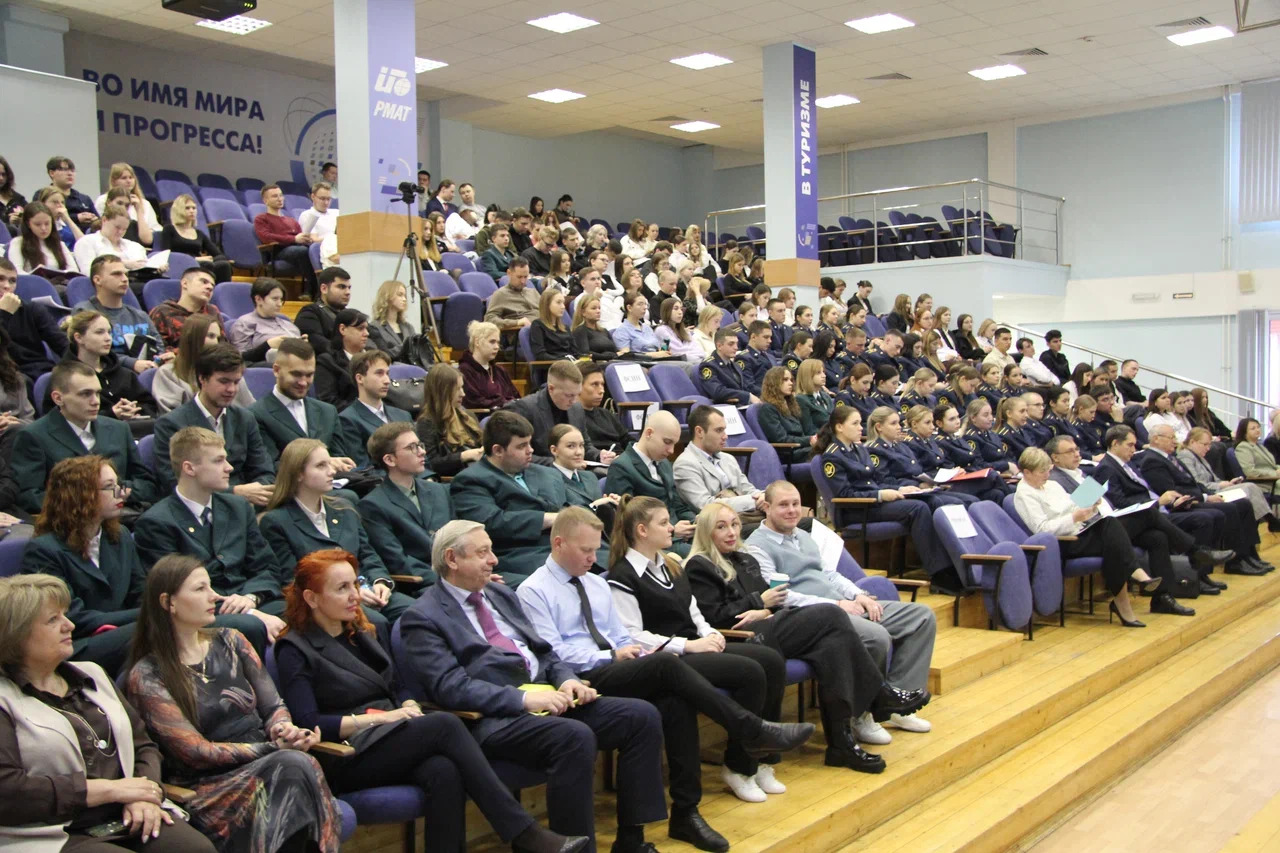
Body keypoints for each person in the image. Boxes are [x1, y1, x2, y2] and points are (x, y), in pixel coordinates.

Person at [518, 508, 813, 851]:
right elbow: (552, 654)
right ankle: (751, 730)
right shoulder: (534, 590)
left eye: (595, 549)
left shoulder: (595, 582)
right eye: (585, 550)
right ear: (558, 544)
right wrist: (613, 655)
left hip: (620, 665)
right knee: (665, 664)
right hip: (580, 676)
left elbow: (620, 635)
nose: (592, 558)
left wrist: (629, 651)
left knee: (676, 700)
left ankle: (683, 814)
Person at [274, 549, 587, 853]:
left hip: (388, 736)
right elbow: (309, 722)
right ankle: (523, 832)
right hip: (346, 753)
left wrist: (408, 704)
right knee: (445, 725)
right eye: (342, 588)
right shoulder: (294, 648)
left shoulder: (363, 631)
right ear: (312, 598)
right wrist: (382, 718)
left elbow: (395, 686)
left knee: (443, 770)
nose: (355, 595)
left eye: (355, 584)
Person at [396, 520, 669, 853]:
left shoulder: (499, 593)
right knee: (574, 736)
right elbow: (451, 687)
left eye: (491, 550)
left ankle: (631, 841)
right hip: (495, 719)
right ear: (452, 559)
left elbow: (545, 651)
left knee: (640, 716)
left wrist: (567, 679)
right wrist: (523, 699)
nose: (494, 560)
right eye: (483, 553)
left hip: (546, 698)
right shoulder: (422, 617)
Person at [687, 500, 930, 774]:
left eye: (734, 525)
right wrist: (758, 603)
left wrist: (763, 607)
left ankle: (841, 745)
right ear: (706, 531)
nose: (731, 532)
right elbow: (715, 616)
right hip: (741, 638)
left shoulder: (745, 559)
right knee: (831, 613)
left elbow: (773, 601)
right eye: (721, 527)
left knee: (832, 647)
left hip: (769, 624)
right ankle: (878, 693)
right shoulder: (699, 566)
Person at [124, 556, 340, 853]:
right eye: (200, 589)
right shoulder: (147, 675)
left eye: (211, 586)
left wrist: (283, 729)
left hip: (269, 766)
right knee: (294, 765)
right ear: (168, 602)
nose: (214, 596)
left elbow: (273, 706)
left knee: (295, 765)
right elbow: (196, 752)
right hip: (207, 788)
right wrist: (273, 747)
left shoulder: (232, 640)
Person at [0, 573, 217, 853]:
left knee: (196, 849)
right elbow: (8, 791)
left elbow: (144, 746)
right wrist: (110, 790)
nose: (69, 625)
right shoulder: (5, 700)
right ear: (16, 635)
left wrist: (145, 794)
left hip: (126, 812)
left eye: (65, 615)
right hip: (52, 832)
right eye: (53, 620)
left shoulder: (93, 674)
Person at [607, 491, 787, 793]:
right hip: (670, 658)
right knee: (750, 672)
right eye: (664, 523)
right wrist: (688, 645)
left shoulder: (671, 565)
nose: (672, 527)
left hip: (696, 646)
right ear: (642, 530)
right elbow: (633, 634)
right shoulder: (622, 575)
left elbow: (694, 612)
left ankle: (762, 761)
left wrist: (710, 633)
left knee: (770, 660)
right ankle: (740, 767)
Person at [747, 481, 935, 740]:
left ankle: (897, 706)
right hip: (817, 617)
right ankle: (862, 714)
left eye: (796, 504)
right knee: (876, 636)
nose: (792, 510)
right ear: (767, 507)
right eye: (783, 505)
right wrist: (836, 605)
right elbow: (781, 597)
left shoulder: (803, 535)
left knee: (921, 617)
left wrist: (858, 595)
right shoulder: (756, 546)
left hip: (843, 604)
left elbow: (830, 575)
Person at [259, 439, 415, 625]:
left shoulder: (344, 508)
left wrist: (380, 582)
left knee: (418, 613)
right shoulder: (277, 521)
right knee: (376, 622)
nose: (332, 471)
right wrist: (352, 592)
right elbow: (292, 580)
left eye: (330, 463)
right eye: (321, 466)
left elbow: (368, 555)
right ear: (298, 473)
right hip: (327, 604)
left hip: (369, 592)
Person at [1014, 448, 1167, 627]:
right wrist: (1074, 517)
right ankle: (1134, 578)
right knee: (1113, 539)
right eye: (1042, 472)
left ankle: (1127, 598)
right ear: (1027, 472)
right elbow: (1042, 530)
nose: (1048, 475)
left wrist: (1090, 505)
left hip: (1079, 531)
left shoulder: (1052, 485)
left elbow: (1072, 504)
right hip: (1061, 544)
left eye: (1049, 470)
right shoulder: (1023, 495)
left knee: (1111, 530)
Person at [23, 457, 146, 675]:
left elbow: (140, 591)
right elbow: (74, 617)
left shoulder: (120, 536)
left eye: (118, 485)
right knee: (154, 629)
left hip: (121, 632)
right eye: (109, 487)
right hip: (77, 643)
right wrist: (149, 614)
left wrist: (154, 610)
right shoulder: (44, 550)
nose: (121, 493)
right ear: (80, 495)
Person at [816, 406, 954, 579]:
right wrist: (880, 495)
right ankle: (940, 573)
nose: (860, 428)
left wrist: (899, 489)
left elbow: (874, 481)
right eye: (855, 423)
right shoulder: (832, 456)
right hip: (857, 510)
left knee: (929, 501)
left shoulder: (858, 449)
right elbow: (845, 495)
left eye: (860, 423)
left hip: (873, 502)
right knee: (917, 508)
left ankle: (949, 563)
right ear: (839, 427)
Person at [1095, 424, 1244, 582]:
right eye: (1130, 445)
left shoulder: (1125, 464)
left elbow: (1144, 491)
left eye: (1134, 445)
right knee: (1173, 515)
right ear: (1115, 444)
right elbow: (1118, 502)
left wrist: (1171, 503)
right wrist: (1157, 503)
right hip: (1122, 523)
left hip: (1144, 516)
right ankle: (1195, 551)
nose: (1134, 449)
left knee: (1157, 537)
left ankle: (1164, 591)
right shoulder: (1105, 467)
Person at [13, 362, 158, 514]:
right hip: (69, 519)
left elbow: (147, 486)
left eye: (97, 393)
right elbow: (29, 497)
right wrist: (89, 499)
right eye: (85, 394)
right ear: (58, 398)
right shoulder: (34, 436)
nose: (96, 401)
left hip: (122, 516)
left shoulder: (119, 429)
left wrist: (114, 492)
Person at [449, 411, 567, 585]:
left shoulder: (547, 473)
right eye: (521, 446)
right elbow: (492, 523)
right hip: (520, 555)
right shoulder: (471, 480)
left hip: (564, 544)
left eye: (529, 443)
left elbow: (570, 505)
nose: (531, 450)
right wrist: (548, 519)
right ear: (498, 450)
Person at [1141, 424, 1272, 574]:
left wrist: (1208, 494)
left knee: (1243, 504)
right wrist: (1206, 497)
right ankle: (1234, 562)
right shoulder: (1152, 460)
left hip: (1196, 496)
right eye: (1171, 437)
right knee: (1229, 508)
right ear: (1156, 439)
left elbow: (1193, 482)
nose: (1175, 441)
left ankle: (1248, 555)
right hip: (1182, 504)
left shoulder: (1169, 457)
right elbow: (1171, 490)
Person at [360, 423, 455, 585]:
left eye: (420, 445)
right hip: (424, 585)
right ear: (390, 459)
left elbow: (460, 538)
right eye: (412, 447)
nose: (422, 452)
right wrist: (452, 580)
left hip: (459, 574)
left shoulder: (439, 490)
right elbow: (398, 561)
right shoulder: (373, 505)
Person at [53, 311, 158, 422]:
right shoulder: (63, 377)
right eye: (99, 332)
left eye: (109, 332)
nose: (108, 338)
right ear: (79, 338)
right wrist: (112, 415)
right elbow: (61, 419)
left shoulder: (124, 374)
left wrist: (135, 410)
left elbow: (149, 405)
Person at [74, 255, 166, 374]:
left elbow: (159, 347)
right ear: (97, 280)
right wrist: (132, 363)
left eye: (125, 274)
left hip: (148, 371)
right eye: (116, 274)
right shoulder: (85, 312)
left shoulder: (140, 316)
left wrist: (161, 359)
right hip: (107, 373)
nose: (125, 279)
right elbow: (90, 353)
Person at [152, 314, 252, 415]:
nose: (216, 342)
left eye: (218, 338)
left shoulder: (229, 371)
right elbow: (171, 418)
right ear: (192, 338)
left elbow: (250, 411)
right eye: (211, 336)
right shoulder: (168, 373)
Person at [1179, 426, 1277, 528]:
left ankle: (1263, 521)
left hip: (1215, 488)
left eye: (1209, 444)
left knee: (1250, 486)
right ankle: (1268, 520)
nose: (1208, 448)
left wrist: (1229, 483)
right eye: (1205, 444)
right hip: (1209, 493)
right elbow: (1197, 483)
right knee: (1248, 489)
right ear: (1192, 442)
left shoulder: (1200, 457)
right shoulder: (1186, 456)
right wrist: (1220, 485)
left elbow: (1215, 479)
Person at [336, 350, 411, 468]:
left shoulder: (403, 415)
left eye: (387, 373)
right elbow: (363, 468)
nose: (387, 380)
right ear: (360, 378)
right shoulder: (348, 420)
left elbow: (421, 458)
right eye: (379, 373)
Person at [414, 362, 483, 477]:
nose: (463, 394)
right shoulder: (427, 423)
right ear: (442, 392)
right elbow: (431, 464)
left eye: (462, 387)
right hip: (457, 479)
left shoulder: (468, 416)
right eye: (457, 389)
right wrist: (464, 456)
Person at [253, 185, 317, 295]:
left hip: (296, 249)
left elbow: (299, 236)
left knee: (314, 250)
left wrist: (306, 239)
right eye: (275, 196)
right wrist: (294, 239)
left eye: (281, 195)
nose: (280, 199)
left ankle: (315, 288)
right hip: (277, 250)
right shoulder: (261, 218)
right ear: (265, 200)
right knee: (302, 251)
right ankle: (312, 289)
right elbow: (266, 237)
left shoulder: (291, 220)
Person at [148, 268, 225, 351]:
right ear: (185, 283)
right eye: (204, 282)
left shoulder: (212, 311)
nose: (210, 287)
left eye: (212, 285)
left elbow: (223, 344)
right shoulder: (162, 312)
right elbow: (157, 348)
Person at [160, 195, 232, 283]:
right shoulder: (169, 229)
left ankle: (221, 290)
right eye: (187, 208)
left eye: (194, 208)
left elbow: (217, 254)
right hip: (180, 263)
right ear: (178, 210)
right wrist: (195, 259)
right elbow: (166, 254)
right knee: (207, 264)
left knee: (223, 263)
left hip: (201, 263)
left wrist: (211, 258)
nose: (192, 211)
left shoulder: (199, 233)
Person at [227, 277, 299, 363]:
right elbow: (240, 359)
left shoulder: (289, 325)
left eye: (281, 299)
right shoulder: (244, 324)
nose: (279, 304)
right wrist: (268, 345)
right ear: (258, 299)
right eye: (275, 299)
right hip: (266, 367)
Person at [314, 309, 369, 410]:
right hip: (348, 416)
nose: (367, 333)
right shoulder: (327, 362)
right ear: (343, 329)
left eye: (366, 329)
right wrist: (364, 411)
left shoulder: (372, 359)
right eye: (360, 328)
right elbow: (328, 401)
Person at [757, 367, 814, 463]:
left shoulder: (790, 404)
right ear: (773, 383)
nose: (791, 383)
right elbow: (781, 440)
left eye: (791, 380)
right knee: (827, 452)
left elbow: (801, 433)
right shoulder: (767, 409)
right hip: (788, 454)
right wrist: (809, 440)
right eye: (785, 380)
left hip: (801, 448)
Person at [458, 320, 519, 409]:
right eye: (492, 342)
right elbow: (475, 402)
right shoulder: (464, 371)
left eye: (498, 342)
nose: (497, 347)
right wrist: (503, 402)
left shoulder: (500, 371)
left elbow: (516, 396)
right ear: (477, 342)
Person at [73, 208, 147, 279]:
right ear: (104, 220)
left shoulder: (135, 246)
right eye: (117, 227)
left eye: (124, 229)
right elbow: (89, 273)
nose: (120, 232)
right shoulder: (87, 242)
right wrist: (124, 264)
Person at [8, 202, 81, 274]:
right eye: (37, 224)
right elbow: (17, 272)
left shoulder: (60, 244)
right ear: (28, 224)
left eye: (47, 223)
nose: (43, 228)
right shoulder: (18, 243)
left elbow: (74, 270)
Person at [293, 268, 351, 355]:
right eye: (341, 287)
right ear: (324, 289)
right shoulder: (309, 313)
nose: (348, 292)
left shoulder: (351, 315)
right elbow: (319, 345)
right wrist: (350, 353)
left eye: (349, 288)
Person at [577, 362, 631, 453]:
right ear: (578, 386)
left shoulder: (606, 414)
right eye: (595, 384)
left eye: (602, 384)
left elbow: (627, 440)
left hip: (622, 457)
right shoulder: (572, 417)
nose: (602, 390)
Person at [92, 162, 160, 231]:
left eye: (131, 177)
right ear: (113, 181)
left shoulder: (145, 203)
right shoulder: (103, 200)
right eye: (124, 178)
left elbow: (155, 228)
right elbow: (99, 225)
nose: (128, 181)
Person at [1233, 417, 1280, 502]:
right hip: (1264, 483)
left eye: (1258, 427)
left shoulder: (1260, 446)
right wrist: (1274, 474)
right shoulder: (1243, 447)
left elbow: (1272, 465)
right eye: (1253, 428)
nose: (1257, 430)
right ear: (1244, 432)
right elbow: (1250, 472)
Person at [45, 156, 98, 229]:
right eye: (65, 170)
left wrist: (93, 219)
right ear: (52, 173)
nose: (70, 173)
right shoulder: (43, 195)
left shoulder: (84, 199)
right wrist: (76, 218)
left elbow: (99, 221)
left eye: (72, 170)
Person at [366, 280, 416, 357]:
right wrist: (407, 346)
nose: (404, 299)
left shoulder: (408, 327)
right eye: (400, 295)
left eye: (405, 296)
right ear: (387, 296)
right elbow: (382, 354)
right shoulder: (374, 327)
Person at [530, 287, 578, 361]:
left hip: (570, 362)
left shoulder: (565, 327)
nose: (563, 307)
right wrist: (563, 360)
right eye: (558, 302)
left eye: (563, 303)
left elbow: (575, 352)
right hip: (553, 365)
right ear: (547, 304)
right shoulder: (538, 325)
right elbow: (540, 355)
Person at [570, 291, 619, 358]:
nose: (598, 311)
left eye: (599, 308)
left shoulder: (604, 331)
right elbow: (585, 354)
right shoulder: (580, 331)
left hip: (613, 361)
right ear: (583, 312)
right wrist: (608, 356)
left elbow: (616, 352)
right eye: (594, 308)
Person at [655, 296, 702, 361]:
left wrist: (691, 355)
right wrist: (692, 355)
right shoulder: (661, 330)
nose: (680, 312)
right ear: (666, 311)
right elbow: (674, 352)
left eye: (681, 309)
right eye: (676, 309)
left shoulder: (684, 331)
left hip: (692, 361)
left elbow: (700, 351)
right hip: (673, 363)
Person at [296, 183, 338, 249]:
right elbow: (314, 240)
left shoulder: (336, 212)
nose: (326, 202)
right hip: (325, 249)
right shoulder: (307, 215)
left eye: (328, 199)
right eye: (322, 199)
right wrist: (337, 238)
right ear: (313, 197)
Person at [0, 154, 27, 230]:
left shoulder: (18, 198)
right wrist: (8, 224)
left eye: (3, 174)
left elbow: (32, 217)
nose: (1, 178)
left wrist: (22, 219)